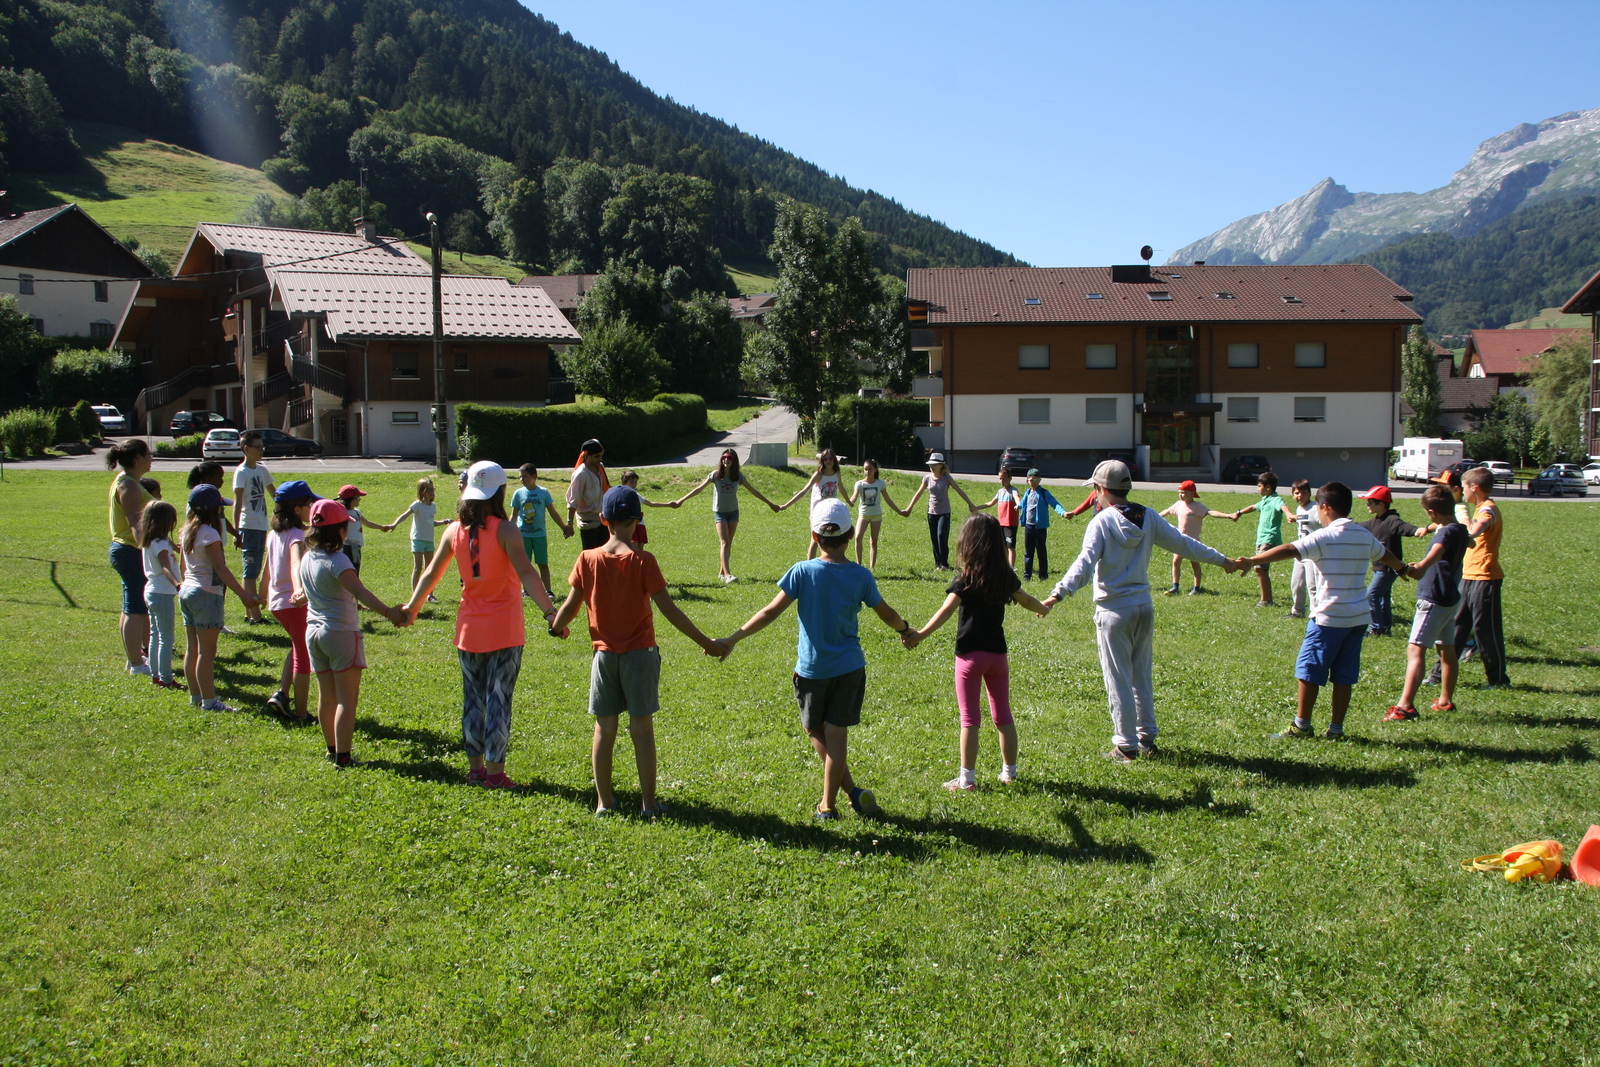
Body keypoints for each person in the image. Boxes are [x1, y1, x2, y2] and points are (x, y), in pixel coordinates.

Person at [717, 499, 917, 820]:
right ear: (851, 535)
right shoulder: (861, 575)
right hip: (850, 668)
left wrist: (732, 638)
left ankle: (829, 805)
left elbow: (769, 612)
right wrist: (905, 629)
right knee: (837, 737)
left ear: (814, 536)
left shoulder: (802, 571)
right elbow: (886, 613)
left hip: (813, 670)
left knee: (813, 730)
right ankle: (846, 795)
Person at [1041, 461, 1239, 762]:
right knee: (1140, 677)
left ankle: (1126, 746)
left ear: (1101, 489)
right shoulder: (1148, 516)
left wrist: (1057, 594)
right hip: (1143, 607)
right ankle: (1146, 739)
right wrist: (1223, 561)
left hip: (1113, 611)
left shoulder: (1101, 521)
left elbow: (1084, 564)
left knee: (1118, 679)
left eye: (1095, 489)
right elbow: (1184, 544)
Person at [549, 486, 727, 815]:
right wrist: (708, 643)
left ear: (603, 519)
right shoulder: (644, 560)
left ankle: (604, 802)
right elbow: (670, 610)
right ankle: (648, 804)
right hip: (641, 655)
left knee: (604, 728)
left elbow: (570, 605)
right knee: (642, 729)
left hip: (604, 657)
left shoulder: (587, 559)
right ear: (637, 520)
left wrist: (556, 626)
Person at [406, 462, 564, 788]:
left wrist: (412, 609)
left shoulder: (454, 530)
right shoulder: (506, 530)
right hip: (505, 629)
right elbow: (527, 572)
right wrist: (550, 612)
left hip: (469, 630)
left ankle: (476, 769)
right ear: (500, 492)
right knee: (499, 701)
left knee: (473, 700)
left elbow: (431, 573)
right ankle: (495, 774)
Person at [1239, 481, 1408, 740]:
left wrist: (1252, 560)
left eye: (1317, 507)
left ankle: (1302, 726)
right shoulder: (1363, 534)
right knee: (1344, 676)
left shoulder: (1324, 536)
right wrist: (1403, 568)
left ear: (1325, 507)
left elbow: (1291, 549)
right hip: (1358, 618)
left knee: (1309, 670)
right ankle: (1336, 730)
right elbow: (1384, 554)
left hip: (1329, 617)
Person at [909, 514, 1049, 790]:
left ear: (968, 543)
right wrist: (1043, 609)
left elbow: (946, 611)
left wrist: (920, 634)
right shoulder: (1004, 577)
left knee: (970, 719)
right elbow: (1026, 600)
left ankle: (967, 780)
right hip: (997, 656)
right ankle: (1010, 772)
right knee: (1003, 715)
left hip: (970, 657)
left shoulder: (966, 579)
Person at [302, 499, 409, 767]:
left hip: (313, 632)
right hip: (339, 632)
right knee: (346, 701)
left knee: (326, 696)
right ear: (340, 530)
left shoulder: (308, 557)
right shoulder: (338, 560)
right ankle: (344, 757)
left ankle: (331, 749)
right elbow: (359, 591)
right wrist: (389, 612)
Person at [1384, 486, 1469, 721]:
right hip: (1450, 598)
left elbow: (1437, 551)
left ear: (1431, 512)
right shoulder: (1460, 529)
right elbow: (1463, 545)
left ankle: (1405, 707)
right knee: (1447, 650)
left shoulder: (1445, 533)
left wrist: (1419, 567)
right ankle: (1445, 701)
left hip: (1434, 598)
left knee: (1415, 649)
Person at [179, 484, 261, 712]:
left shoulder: (187, 530)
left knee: (192, 648)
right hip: (206, 594)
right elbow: (220, 567)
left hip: (187, 591)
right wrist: (244, 595)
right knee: (206, 652)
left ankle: (196, 696)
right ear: (214, 509)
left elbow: (184, 566)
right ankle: (209, 702)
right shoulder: (210, 533)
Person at [673, 448, 780, 583]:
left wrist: (770, 504)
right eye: (724, 457)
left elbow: (754, 491)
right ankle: (728, 575)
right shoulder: (715, 475)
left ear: (734, 461)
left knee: (728, 543)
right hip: (720, 513)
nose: (726, 460)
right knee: (724, 542)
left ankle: (721, 573)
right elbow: (699, 488)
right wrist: (681, 500)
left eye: (729, 458)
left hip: (733, 512)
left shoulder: (738, 476)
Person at [263, 481, 319, 724]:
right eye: (309, 504)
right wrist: (298, 590)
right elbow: (296, 562)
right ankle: (301, 714)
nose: (312, 507)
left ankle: (282, 694)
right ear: (297, 509)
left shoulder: (274, 534)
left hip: (277, 604)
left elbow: (267, 567)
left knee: (297, 646)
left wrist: (261, 594)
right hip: (294, 604)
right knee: (303, 658)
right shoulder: (296, 536)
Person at [1450, 467, 1510, 688]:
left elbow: (1472, 532)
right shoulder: (1480, 508)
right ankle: (1438, 674)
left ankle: (1499, 680)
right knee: (1457, 626)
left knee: (1486, 630)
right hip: (1469, 575)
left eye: (1464, 487)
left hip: (1485, 577)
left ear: (1474, 487)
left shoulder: (1487, 510)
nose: (1463, 491)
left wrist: (1462, 514)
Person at [1356, 485, 1430, 637]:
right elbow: (1360, 526)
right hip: (1378, 568)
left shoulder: (1392, 520)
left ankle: (1376, 628)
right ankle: (1385, 627)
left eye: (1370, 502)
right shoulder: (1375, 521)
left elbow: (1405, 527)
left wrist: (1417, 531)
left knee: (1371, 595)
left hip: (1389, 569)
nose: (1367, 504)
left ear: (1381, 504)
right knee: (1383, 598)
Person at [107, 439, 154, 674]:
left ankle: (134, 656)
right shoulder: (128, 485)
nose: (151, 458)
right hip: (130, 550)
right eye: (148, 454)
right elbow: (136, 524)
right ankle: (136, 663)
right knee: (134, 608)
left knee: (133, 606)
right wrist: (149, 550)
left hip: (129, 549)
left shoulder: (129, 481)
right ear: (137, 458)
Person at [901, 453, 979, 571]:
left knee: (941, 536)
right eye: (930, 465)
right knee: (934, 538)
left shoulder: (947, 478)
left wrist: (970, 504)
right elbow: (918, 493)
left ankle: (944, 564)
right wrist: (909, 508)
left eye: (934, 465)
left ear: (941, 465)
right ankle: (938, 564)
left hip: (944, 512)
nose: (932, 467)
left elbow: (959, 490)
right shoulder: (927, 478)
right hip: (932, 513)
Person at [137, 500, 184, 690]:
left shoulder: (150, 541)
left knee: (155, 635)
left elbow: (175, 548)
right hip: (162, 593)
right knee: (166, 638)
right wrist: (177, 584)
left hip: (151, 591)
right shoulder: (162, 544)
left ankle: (156, 675)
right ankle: (166, 678)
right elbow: (165, 567)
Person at [231, 431, 275, 625]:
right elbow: (237, 502)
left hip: (261, 526)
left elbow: (275, 494)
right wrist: (236, 531)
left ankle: (250, 613)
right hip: (248, 526)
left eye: (262, 447)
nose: (261, 450)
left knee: (254, 570)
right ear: (246, 449)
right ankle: (255, 616)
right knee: (250, 572)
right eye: (257, 447)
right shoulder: (241, 472)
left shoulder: (262, 470)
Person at [1227, 472, 1288, 607]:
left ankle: (1266, 600)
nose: (1257, 488)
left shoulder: (1276, 500)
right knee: (1260, 569)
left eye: (1259, 486)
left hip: (1269, 539)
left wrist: (1289, 515)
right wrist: (1239, 513)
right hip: (1261, 540)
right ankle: (1267, 599)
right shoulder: (1265, 500)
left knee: (1259, 568)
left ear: (1268, 487)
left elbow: (1283, 507)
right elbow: (1253, 507)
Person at [510, 463, 572, 595]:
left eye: (525, 476)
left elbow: (553, 512)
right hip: (523, 535)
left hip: (539, 535)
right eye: (520, 477)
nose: (522, 479)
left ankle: (547, 590)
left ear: (534, 477)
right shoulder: (518, 494)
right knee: (525, 564)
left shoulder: (543, 492)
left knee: (542, 563)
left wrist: (564, 527)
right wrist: (509, 531)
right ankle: (526, 590)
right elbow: (514, 515)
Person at [388, 478, 448, 602]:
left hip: (429, 540)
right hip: (418, 539)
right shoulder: (417, 505)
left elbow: (430, 523)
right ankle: (416, 595)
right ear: (421, 491)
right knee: (418, 568)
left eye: (432, 489)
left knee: (429, 568)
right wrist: (394, 524)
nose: (431, 492)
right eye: (428, 490)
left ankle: (429, 594)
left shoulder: (432, 506)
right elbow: (404, 515)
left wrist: (444, 522)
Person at [782, 449, 847, 561]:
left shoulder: (837, 473)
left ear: (834, 459)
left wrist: (849, 501)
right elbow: (803, 492)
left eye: (830, 458)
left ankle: (829, 561)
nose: (828, 461)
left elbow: (841, 487)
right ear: (822, 460)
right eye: (825, 458)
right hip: (817, 510)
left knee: (831, 538)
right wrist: (786, 505)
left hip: (831, 509)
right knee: (815, 539)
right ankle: (809, 565)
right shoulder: (819, 474)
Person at [846, 458, 903, 571]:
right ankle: (859, 565)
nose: (867, 471)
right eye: (865, 469)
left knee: (873, 541)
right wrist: (850, 501)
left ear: (875, 470)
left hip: (876, 515)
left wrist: (899, 511)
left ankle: (872, 567)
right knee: (858, 537)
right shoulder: (859, 484)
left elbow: (888, 499)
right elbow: (854, 497)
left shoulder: (880, 483)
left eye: (870, 469)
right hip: (864, 514)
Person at [1158, 480, 1212, 596]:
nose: (1181, 495)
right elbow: (1167, 511)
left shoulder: (1197, 507)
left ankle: (1196, 588)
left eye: (1183, 492)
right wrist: (1155, 517)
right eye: (1180, 492)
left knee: (1195, 563)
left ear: (1192, 493)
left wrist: (1228, 516)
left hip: (1193, 542)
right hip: (1180, 540)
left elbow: (1210, 512)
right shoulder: (1179, 504)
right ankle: (1175, 586)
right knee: (1176, 561)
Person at [1018, 469, 1067, 581]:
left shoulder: (1044, 493)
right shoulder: (1028, 493)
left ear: (1040, 480)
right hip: (1029, 526)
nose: (1034, 482)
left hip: (1040, 527)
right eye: (1032, 480)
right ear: (1027, 480)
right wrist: (1018, 506)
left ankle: (1043, 575)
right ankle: (1027, 575)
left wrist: (1063, 513)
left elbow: (1054, 503)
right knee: (1028, 552)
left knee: (1041, 551)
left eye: (1037, 480)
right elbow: (1023, 503)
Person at [1283, 479, 1322, 619]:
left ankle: (1316, 613)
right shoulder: (1300, 509)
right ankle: (1298, 611)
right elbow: (1303, 519)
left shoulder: (1315, 508)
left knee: (1312, 585)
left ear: (1310, 493)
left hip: (1312, 553)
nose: (1300, 496)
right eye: (1297, 493)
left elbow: (1323, 523)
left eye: (1304, 493)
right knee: (1297, 583)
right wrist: (1294, 517)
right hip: (1300, 552)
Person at [972, 468, 1022, 568]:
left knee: (1010, 546)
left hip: (1010, 523)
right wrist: (977, 508)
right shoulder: (1000, 492)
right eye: (1000, 479)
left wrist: (1018, 504)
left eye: (1004, 478)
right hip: (1001, 523)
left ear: (1010, 478)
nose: (1002, 481)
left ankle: (1011, 568)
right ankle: (1005, 565)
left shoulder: (1013, 490)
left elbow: (1017, 498)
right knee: (1003, 546)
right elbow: (991, 503)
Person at [567, 439, 609, 550]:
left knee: (605, 555)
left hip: (603, 519)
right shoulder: (581, 474)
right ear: (586, 455)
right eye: (597, 456)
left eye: (601, 456)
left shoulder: (600, 468)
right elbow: (573, 500)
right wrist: (569, 524)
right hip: (589, 522)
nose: (600, 459)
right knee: (590, 555)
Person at [618, 469, 677, 545]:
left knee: (640, 548)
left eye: (635, 482)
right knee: (633, 547)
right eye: (631, 481)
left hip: (640, 524)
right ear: (624, 482)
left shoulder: (636, 495)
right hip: (630, 525)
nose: (634, 484)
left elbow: (651, 504)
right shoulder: (620, 495)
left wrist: (668, 504)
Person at [337, 485, 386, 575]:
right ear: (351, 499)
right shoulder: (342, 513)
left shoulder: (356, 512)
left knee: (355, 572)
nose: (359, 499)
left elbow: (367, 523)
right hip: (346, 547)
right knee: (348, 572)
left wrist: (381, 527)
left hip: (356, 547)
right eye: (357, 497)